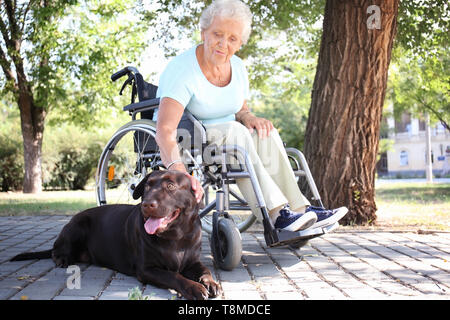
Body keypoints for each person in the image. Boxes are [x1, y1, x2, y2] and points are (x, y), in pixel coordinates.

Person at [154, 0, 347, 233]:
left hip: (231, 138)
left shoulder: (238, 67)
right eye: (217, 34)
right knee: (237, 134)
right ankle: (277, 215)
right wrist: (180, 173)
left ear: (240, 43)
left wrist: (250, 118)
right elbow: (165, 130)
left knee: (265, 132)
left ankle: (299, 211)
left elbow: (240, 109)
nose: (223, 44)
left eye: (233, 39)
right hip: (190, 138)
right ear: (203, 31)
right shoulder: (183, 70)